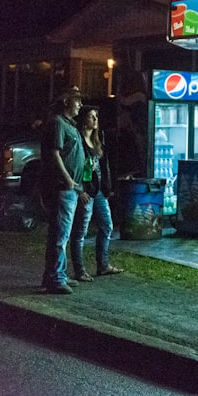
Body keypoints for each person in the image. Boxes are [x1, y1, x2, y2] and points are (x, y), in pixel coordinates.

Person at [39, 86, 86, 294]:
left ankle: (55, 274)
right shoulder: (58, 123)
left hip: (70, 188)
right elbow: (54, 153)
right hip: (62, 188)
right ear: (66, 101)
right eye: (77, 100)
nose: (81, 105)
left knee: (60, 233)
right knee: (61, 234)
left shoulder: (68, 124)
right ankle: (56, 279)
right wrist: (68, 179)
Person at [69, 105, 124, 281]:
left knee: (107, 225)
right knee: (80, 231)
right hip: (86, 190)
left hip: (99, 189)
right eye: (91, 116)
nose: (95, 120)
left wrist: (108, 187)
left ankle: (103, 264)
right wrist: (80, 190)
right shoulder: (79, 140)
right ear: (83, 119)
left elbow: (104, 165)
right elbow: (75, 166)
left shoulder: (98, 138)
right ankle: (79, 270)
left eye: (96, 116)